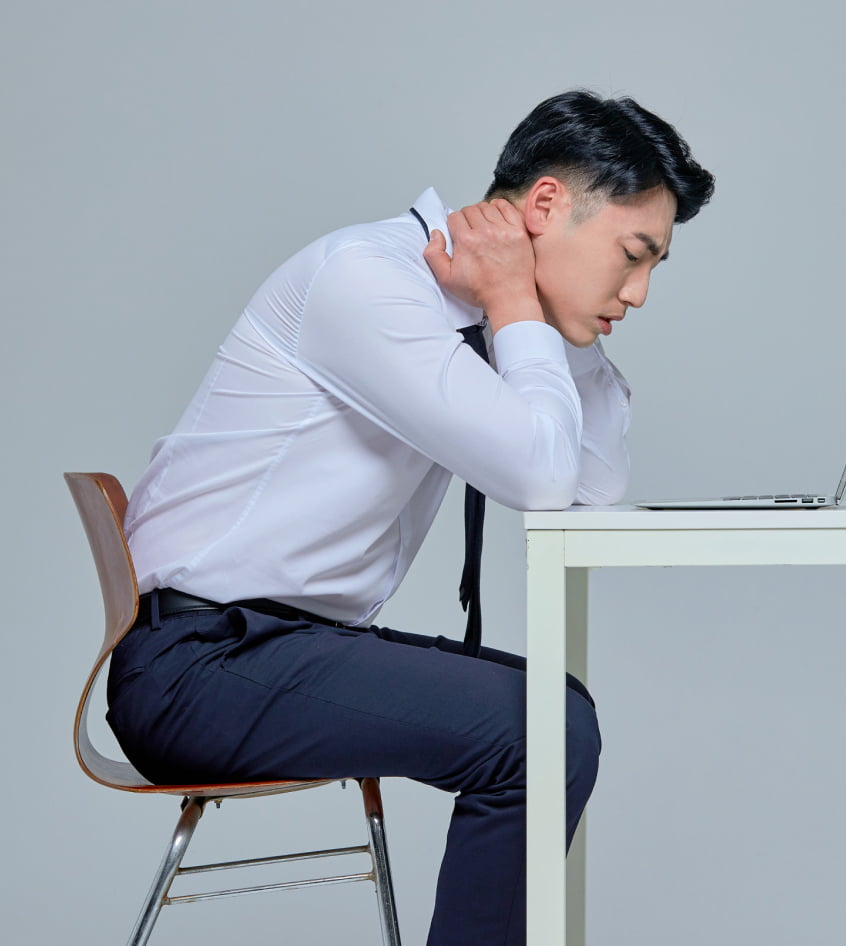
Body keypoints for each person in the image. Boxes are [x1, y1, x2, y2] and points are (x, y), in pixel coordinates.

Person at [106, 89, 715, 945]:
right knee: (547, 731)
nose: (639, 292)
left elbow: (596, 482)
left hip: (277, 647)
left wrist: (530, 310)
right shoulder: (370, 280)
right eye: (632, 255)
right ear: (545, 205)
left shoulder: (472, 303)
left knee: (558, 709)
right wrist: (517, 303)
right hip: (198, 667)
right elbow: (543, 479)